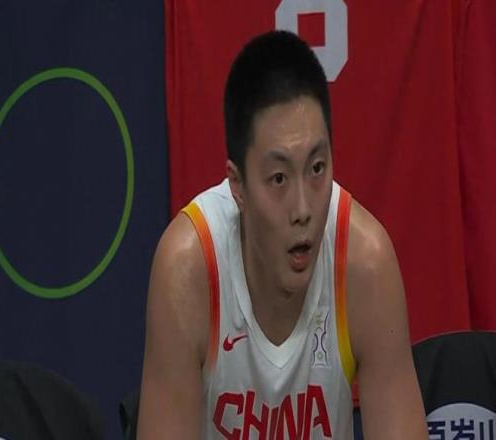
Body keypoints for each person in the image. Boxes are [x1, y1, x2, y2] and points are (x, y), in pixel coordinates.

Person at [137, 30, 428, 439]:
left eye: (316, 168)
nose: (303, 209)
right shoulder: (189, 268)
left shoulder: (365, 262)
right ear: (237, 185)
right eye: (278, 178)